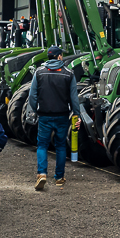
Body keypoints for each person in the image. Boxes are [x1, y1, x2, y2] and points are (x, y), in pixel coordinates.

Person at [28, 46, 80, 190]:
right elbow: (74, 98)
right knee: (61, 146)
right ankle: (59, 178)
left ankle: (42, 174)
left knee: (42, 145)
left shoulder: (39, 72)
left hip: (44, 115)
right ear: (58, 56)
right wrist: (76, 114)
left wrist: (36, 109)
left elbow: (32, 96)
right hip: (62, 115)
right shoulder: (69, 74)